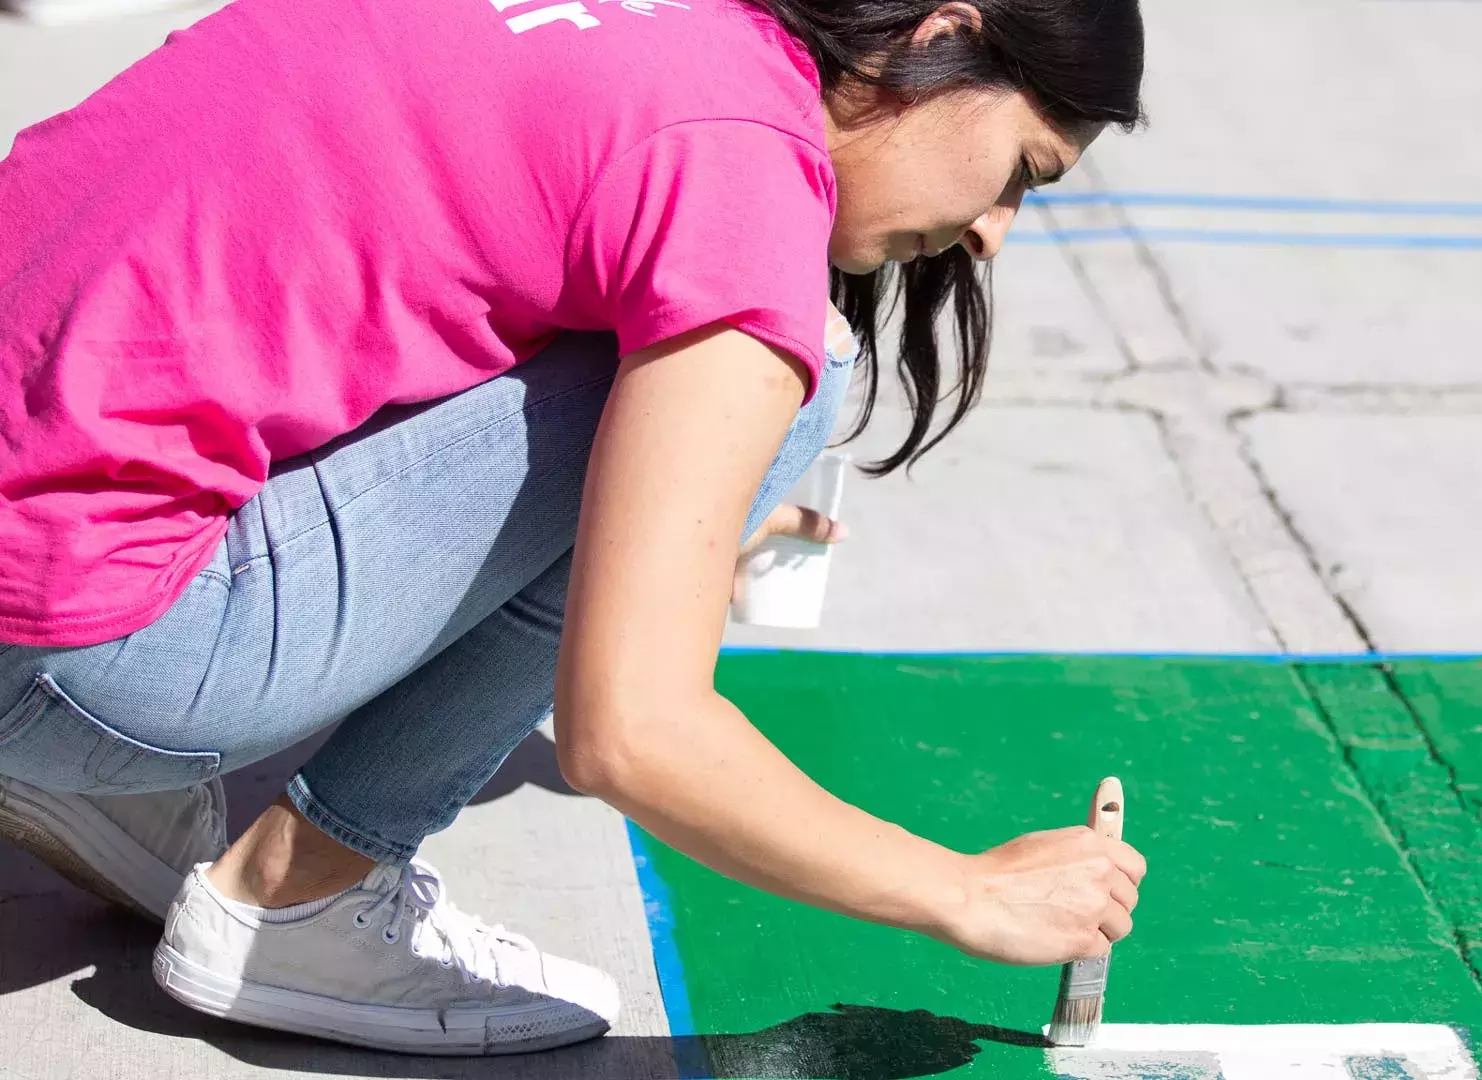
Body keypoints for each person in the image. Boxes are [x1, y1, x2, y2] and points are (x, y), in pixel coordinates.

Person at [0, 0, 1149, 1057]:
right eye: (1022, 173)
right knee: (806, 366)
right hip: (75, 649)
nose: (993, 233)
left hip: (33, 516)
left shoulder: (665, 29)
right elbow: (630, 733)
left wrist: (672, 516)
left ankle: (101, 783)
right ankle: (300, 900)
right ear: (939, 32)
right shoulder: (741, 169)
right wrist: (964, 890)